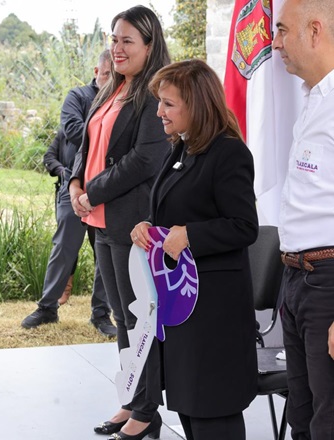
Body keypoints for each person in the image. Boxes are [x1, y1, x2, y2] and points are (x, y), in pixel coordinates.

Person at [130, 59, 259, 440]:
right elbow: (174, 213)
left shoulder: (229, 153)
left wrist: (191, 236)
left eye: (168, 104)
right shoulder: (181, 149)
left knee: (211, 414)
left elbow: (244, 226)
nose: (159, 112)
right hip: (183, 309)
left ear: (196, 105)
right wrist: (149, 229)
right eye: (160, 102)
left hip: (213, 314)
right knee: (190, 409)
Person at [68, 6, 171, 439]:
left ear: (150, 45)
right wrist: (75, 183)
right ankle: (130, 399)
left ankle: (147, 411)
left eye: (128, 40)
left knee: (138, 316)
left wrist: (93, 191)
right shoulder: (111, 87)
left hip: (132, 221)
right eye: (114, 38)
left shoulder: (154, 93)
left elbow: (146, 158)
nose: (118, 47)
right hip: (102, 221)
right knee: (121, 315)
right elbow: (86, 140)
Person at [21, 50, 117, 337]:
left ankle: (101, 314)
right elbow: (72, 129)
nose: (111, 79)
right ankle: (47, 307)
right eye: (107, 73)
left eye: (117, 76)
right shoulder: (77, 96)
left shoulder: (124, 98)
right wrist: (107, 136)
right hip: (74, 185)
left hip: (110, 186)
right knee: (64, 247)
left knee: (105, 252)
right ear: (96, 70)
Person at [272, 0, 334, 437]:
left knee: (328, 420)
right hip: (297, 279)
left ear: (315, 31)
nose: (275, 44)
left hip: (329, 281)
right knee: (302, 418)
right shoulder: (315, 100)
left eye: (282, 31)